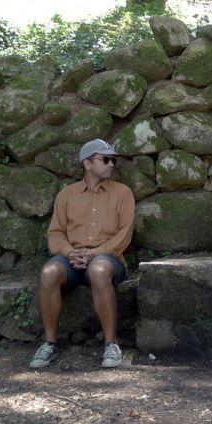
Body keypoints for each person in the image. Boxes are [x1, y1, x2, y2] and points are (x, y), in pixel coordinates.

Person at [30, 139, 135, 369]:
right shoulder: (66, 195)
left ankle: (111, 344)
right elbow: (55, 234)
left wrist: (95, 253)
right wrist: (69, 252)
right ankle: (49, 343)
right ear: (87, 163)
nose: (111, 164)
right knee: (49, 272)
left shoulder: (123, 193)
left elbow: (123, 235)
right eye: (105, 159)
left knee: (98, 270)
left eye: (113, 160)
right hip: (72, 258)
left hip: (108, 258)